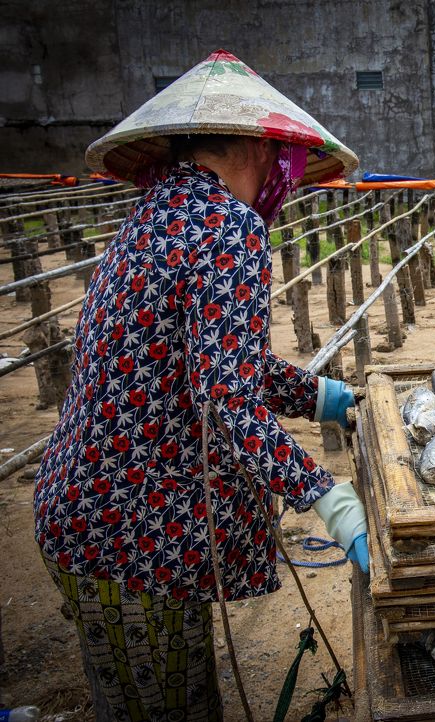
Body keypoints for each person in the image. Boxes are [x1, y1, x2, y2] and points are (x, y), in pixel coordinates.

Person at [33, 50, 368, 720]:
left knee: (146, 698)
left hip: (88, 514)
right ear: (253, 145)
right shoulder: (230, 226)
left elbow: (209, 359)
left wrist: (319, 396)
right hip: (136, 532)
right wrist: (325, 497)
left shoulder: (161, 210)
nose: (284, 176)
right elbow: (226, 397)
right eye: (280, 158)